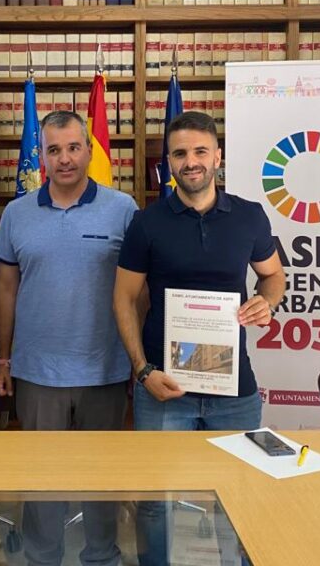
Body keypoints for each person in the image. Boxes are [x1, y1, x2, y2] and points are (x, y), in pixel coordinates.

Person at [112, 111, 285, 566]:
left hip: (235, 389)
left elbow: (273, 277)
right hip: (163, 387)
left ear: (217, 157)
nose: (191, 162)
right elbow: (124, 299)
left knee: (240, 494)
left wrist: (267, 301)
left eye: (200, 151)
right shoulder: (147, 222)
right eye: (180, 153)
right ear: (168, 162)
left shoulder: (249, 216)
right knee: (156, 499)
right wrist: (142, 371)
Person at [0, 110, 137, 566]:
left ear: (89, 151)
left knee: (102, 480)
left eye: (74, 147)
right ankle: (41, 557)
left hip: (104, 369)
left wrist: (139, 361)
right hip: (37, 372)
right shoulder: (16, 213)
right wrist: (2, 359)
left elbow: (140, 291)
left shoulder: (123, 209)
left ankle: (102, 557)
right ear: (42, 156)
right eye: (54, 150)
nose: (65, 159)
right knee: (42, 481)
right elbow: (5, 287)